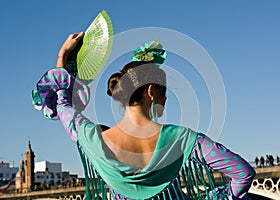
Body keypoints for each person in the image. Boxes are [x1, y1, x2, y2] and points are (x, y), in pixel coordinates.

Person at [33, 32, 255, 199]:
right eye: (164, 91)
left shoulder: (92, 139)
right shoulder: (182, 139)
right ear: (151, 91)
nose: (165, 99)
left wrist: (62, 55)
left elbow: (63, 105)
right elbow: (243, 173)